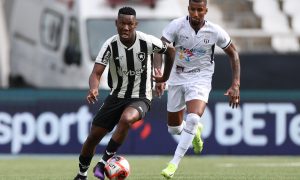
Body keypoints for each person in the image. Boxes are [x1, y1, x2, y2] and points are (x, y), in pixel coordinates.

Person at [74, 7, 175, 180]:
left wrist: (163, 76)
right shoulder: (110, 45)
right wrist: (93, 88)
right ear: (116, 24)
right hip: (116, 96)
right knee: (93, 138)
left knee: (127, 119)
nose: (126, 28)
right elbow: (96, 73)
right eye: (122, 23)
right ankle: (82, 174)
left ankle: (103, 162)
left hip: (141, 96)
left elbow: (170, 50)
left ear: (135, 24)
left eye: (130, 24)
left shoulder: (147, 41)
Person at [154, 0, 241, 179]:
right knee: (174, 129)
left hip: (200, 77)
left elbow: (233, 53)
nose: (195, 14)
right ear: (188, 9)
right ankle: (194, 131)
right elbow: (159, 49)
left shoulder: (215, 31)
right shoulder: (176, 25)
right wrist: (159, 72)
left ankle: (173, 164)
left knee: (193, 118)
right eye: (192, 9)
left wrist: (236, 84)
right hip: (177, 76)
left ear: (205, 10)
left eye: (199, 10)